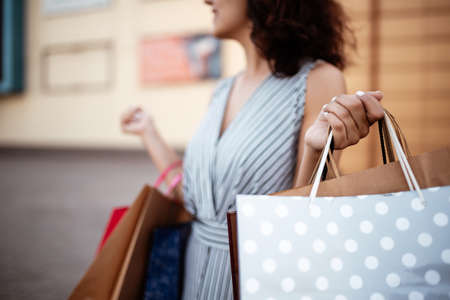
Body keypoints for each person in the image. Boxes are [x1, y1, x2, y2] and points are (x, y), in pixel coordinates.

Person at [120, 0, 385, 299]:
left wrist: (315, 151)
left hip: (255, 280)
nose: (206, 1)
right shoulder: (222, 90)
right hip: (192, 279)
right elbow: (195, 198)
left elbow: (308, 216)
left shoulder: (319, 79)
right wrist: (149, 133)